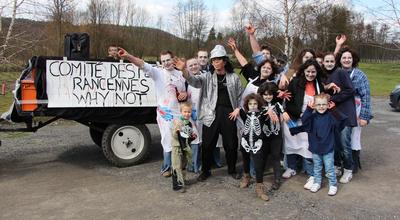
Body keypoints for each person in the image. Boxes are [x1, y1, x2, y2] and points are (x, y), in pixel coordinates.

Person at [175, 45, 243, 181]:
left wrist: (238, 108)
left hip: (229, 113)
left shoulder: (234, 78)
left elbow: (240, 95)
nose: (215, 62)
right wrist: (184, 70)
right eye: (213, 60)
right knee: (207, 144)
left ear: (224, 61)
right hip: (210, 113)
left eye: (218, 60)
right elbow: (194, 81)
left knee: (231, 144)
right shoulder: (207, 77)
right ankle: (206, 171)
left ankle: (232, 169)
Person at [118, 48, 188, 177]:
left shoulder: (180, 74)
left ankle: (180, 164)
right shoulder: (158, 73)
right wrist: (128, 56)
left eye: (168, 60)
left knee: (182, 138)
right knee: (167, 140)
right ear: (161, 62)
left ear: (173, 59)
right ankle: (166, 167)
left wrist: (184, 94)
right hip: (165, 113)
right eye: (163, 61)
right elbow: (142, 64)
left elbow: (185, 91)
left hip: (179, 113)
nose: (166, 63)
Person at [291, 93, 347, 196]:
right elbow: (304, 121)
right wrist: (308, 109)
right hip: (316, 147)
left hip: (328, 148)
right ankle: (317, 182)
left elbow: (342, 121)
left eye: (324, 104)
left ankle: (333, 185)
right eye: (319, 104)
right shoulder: (312, 117)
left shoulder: (331, 117)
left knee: (329, 168)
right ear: (314, 105)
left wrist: (334, 110)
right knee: (317, 167)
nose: (321, 107)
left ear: (328, 105)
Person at [282, 59, 325, 190]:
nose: (310, 74)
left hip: (311, 121)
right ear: (303, 71)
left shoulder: (319, 85)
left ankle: (312, 174)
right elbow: (289, 102)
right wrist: (300, 114)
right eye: (308, 71)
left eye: (313, 71)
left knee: (308, 147)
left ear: (317, 72)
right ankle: (292, 167)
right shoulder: (295, 83)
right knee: (291, 145)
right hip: (295, 118)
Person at [336, 46, 372, 182]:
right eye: (344, 57)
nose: (346, 60)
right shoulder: (337, 73)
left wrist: (364, 116)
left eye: (349, 58)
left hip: (355, 110)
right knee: (339, 138)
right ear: (340, 60)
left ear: (353, 59)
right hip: (339, 110)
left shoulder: (359, 75)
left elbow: (366, 96)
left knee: (351, 138)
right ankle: (339, 164)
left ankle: (351, 166)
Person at [322, 52, 357, 177]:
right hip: (332, 115)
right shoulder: (323, 76)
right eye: (327, 61)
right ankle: (336, 166)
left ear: (335, 62)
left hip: (345, 114)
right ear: (323, 63)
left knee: (344, 144)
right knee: (334, 143)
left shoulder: (341, 72)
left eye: (332, 61)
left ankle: (348, 169)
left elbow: (350, 90)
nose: (330, 64)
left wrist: (333, 99)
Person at [257, 82, 288, 190]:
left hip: (276, 135)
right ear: (261, 95)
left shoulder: (277, 104)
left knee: (276, 156)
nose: (268, 96)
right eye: (265, 94)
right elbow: (258, 113)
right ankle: (258, 178)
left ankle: (277, 179)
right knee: (262, 156)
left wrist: (284, 113)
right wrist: (267, 110)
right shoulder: (259, 105)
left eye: (270, 94)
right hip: (264, 135)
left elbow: (282, 110)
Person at [239, 93, 269, 201]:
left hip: (257, 143)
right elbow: (238, 109)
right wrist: (237, 110)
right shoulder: (244, 114)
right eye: (250, 104)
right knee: (245, 160)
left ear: (259, 104)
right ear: (247, 105)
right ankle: (246, 177)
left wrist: (269, 111)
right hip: (245, 141)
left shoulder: (262, 114)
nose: (252, 105)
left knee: (258, 165)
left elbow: (269, 110)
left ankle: (259, 186)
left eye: (255, 103)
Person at [171, 102, 197, 192]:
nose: (187, 114)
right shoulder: (178, 122)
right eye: (185, 112)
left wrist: (192, 137)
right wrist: (177, 131)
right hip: (177, 148)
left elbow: (187, 137)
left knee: (183, 165)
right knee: (176, 166)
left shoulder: (189, 123)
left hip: (185, 147)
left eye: (189, 112)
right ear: (181, 112)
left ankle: (182, 180)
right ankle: (177, 185)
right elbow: (174, 136)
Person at [185, 58, 202, 173]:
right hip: (189, 115)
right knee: (192, 140)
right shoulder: (185, 80)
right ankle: (191, 164)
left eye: (195, 64)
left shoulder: (205, 77)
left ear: (199, 65)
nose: (194, 67)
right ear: (187, 68)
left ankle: (198, 164)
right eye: (190, 65)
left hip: (202, 114)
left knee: (201, 140)